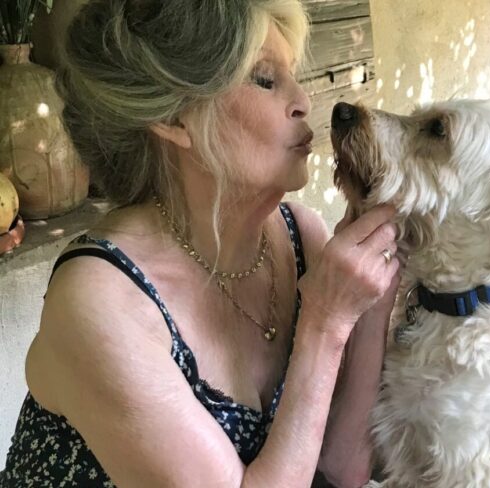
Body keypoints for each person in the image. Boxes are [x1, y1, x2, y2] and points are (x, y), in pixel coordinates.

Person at [0, 0, 401, 486]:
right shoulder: (99, 299)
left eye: (293, 75)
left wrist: (375, 291)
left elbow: (342, 468)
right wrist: (326, 321)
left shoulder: (302, 237)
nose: (303, 99)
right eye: (265, 79)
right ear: (175, 119)